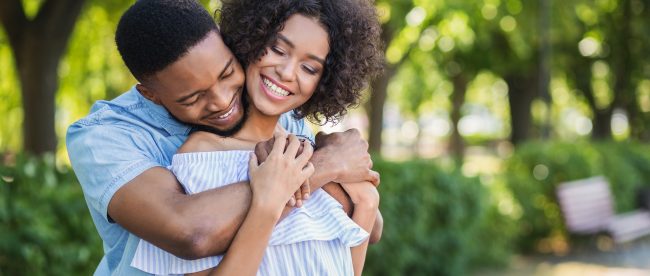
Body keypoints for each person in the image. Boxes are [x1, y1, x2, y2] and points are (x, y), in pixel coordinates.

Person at [65, 0, 381, 275]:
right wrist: (324, 166)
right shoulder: (104, 135)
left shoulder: (275, 111)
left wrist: (362, 195)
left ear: (230, 44)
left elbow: (346, 221)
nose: (222, 102)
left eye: (228, 73)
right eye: (192, 98)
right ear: (152, 94)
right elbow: (191, 233)